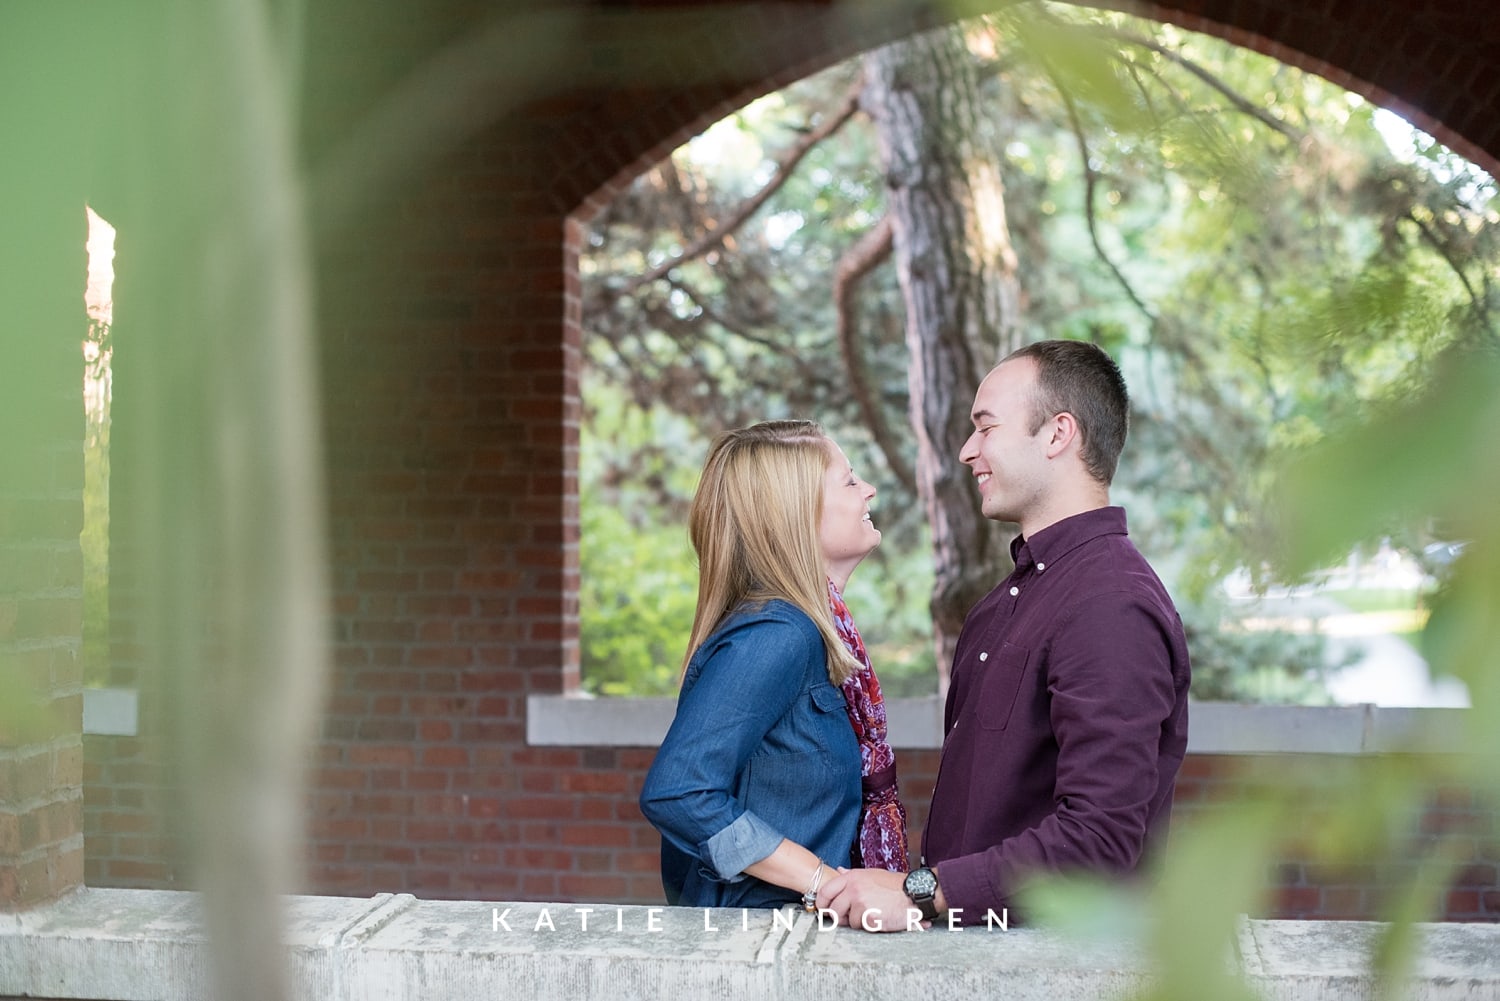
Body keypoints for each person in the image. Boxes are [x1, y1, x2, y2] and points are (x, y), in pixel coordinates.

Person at [820, 339, 1191, 929]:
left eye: (985, 427)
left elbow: (1099, 843)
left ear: (1057, 434)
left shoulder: (1111, 606)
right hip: (981, 958)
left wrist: (920, 891)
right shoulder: (1005, 604)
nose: (968, 451)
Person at [639, 420, 909, 910]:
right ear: (796, 514)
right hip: (765, 950)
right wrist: (825, 882)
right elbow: (679, 791)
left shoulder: (811, 628)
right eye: (849, 480)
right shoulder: (780, 634)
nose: (868, 489)